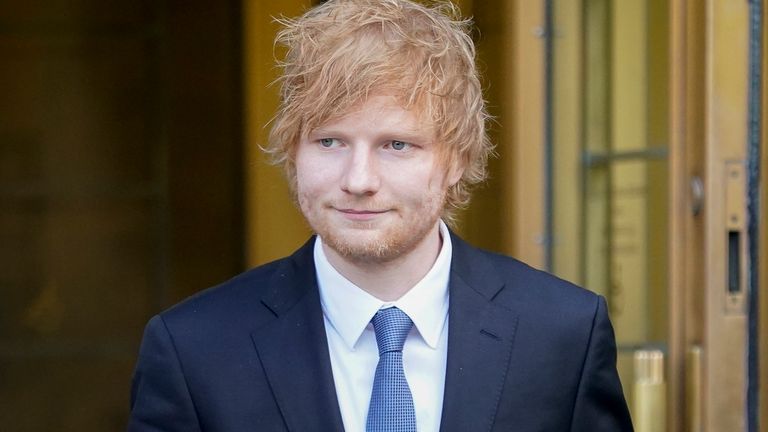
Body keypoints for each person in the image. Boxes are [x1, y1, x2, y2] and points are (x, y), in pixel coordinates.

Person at [128, 0, 633, 431]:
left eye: (396, 144)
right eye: (330, 141)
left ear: (456, 157)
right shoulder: (193, 350)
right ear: (292, 152)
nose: (359, 179)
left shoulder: (563, 334)